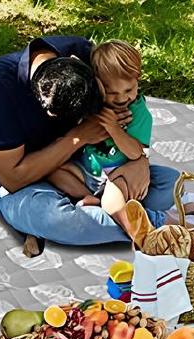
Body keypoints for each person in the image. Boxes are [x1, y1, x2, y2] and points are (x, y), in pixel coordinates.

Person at [0, 36, 179, 246]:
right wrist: (79, 136)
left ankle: (109, 209)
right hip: (28, 185)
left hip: (89, 168)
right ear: (48, 110)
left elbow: (129, 110)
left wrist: (140, 162)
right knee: (63, 221)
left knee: (172, 182)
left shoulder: (82, 52)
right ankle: (156, 226)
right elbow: (12, 179)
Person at [49, 40, 153, 233]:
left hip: (119, 174)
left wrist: (114, 129)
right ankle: (89, 197)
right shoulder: (94, 105)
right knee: (53, 169)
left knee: (112, 200)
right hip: (87, 171)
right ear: (98, 86)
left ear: (137, 79)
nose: (121, 99)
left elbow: (135, 153)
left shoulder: (138, 113)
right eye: (112, 93)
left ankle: (139, 233)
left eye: (129, 90)